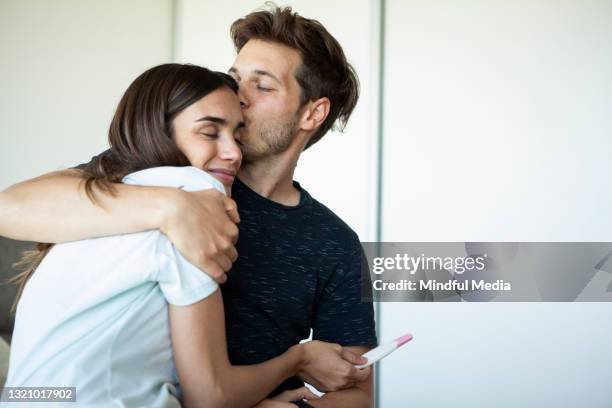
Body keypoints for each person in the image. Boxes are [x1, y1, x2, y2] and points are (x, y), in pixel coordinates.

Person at [0, 5, 377, 407]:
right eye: (236, 80)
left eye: (262, 86)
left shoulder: (334, 243)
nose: (239, 98)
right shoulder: (162, 171)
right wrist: (172, 207)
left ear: (312, 113)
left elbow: (359, 392)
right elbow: (9, 207)